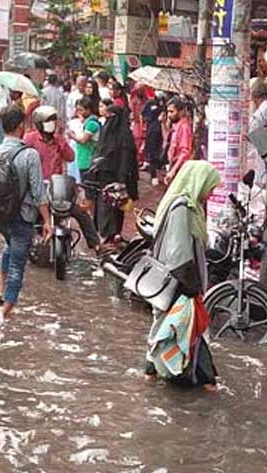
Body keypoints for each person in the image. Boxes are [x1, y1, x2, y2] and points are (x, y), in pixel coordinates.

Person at [145, 161, 221, 391]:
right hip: (179, 280)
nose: (211, 193)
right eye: (211, 186)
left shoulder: (189, 206)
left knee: (166, 327)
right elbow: (178, 252)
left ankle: (152, 372)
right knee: (190, 327)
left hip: (176, 280)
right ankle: (207, 380)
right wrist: (191, 287)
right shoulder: (181, 208)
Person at [0, 105, 52, 318]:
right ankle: (5, 313)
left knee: (8, 248)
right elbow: (39, 192)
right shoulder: (29, 155)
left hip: (2, 217)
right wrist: (47, 221)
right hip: (23, 218)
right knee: (18, 264)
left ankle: (1, 291)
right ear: (20, 126)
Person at [24, 105, 102, 255]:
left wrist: (61, 143)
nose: (53, 124)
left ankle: (97, 245)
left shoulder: (58, 140)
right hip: (37, 189)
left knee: (81, 213)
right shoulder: (30, 139)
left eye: (54, 120)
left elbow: (71, 157)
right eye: (49, 121)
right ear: (40, 123)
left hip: (57, 189)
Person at [95, 104, 139, 243]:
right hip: (105, 175)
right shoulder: (106, 132)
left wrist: (122, 178)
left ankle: (113, 234)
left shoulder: (124, 136)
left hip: (118, 177)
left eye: (111, 117)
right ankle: (108, 233)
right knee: (106, 206)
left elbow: (127, 158)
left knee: (116, 206)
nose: (108, 120)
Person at [69, 96, 101, 180]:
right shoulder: (87, 122)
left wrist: (72, 136)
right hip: (83, 158)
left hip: (88, 159)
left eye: (81, 110)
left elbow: (84, 140)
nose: (79, 113)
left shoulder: (91, 124)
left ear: (89, 110)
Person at [164, 98, 193, 186]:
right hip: (174, 165)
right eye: (168, 112)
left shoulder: (184, 127)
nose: (169, 115)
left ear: (180, 112)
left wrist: (173, 170)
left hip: (180, 168)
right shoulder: (176, 126)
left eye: (172, 112)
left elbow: (185, 152)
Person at [142, 91, 167, 184]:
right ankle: (153, 176)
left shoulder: (166, 105)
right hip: (152, 132)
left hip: (163, 132)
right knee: (152, 154)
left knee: (164, 154)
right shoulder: (150, 103)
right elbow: (143, 116)